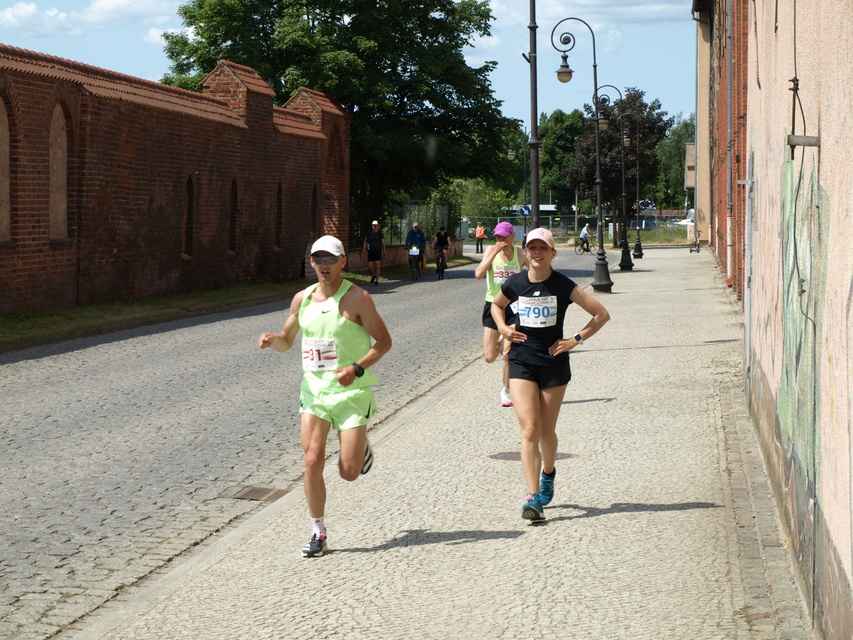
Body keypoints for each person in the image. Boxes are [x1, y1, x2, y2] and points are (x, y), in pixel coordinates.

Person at [258, 235, 392, 557]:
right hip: (315, 391)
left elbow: (384, 342)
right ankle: (318, 533)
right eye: (318, 258)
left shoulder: (358, 298)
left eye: (330, 258)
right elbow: (287, 340)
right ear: (312, 262)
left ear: (343, 261)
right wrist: (274, 339)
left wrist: (357, 368)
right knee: (312, 458)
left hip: (351, 392)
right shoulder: (302, 299)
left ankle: (359, 447)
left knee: (349, 472)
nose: (324, 264)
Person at [490, 227, 610, 522]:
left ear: (552, 253)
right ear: (526, 252)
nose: (537, 253)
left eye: (543, 248)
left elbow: (601, 314)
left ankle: (548, 472)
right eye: (532, 248)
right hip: (521, 362)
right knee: (529, 429)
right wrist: (503, 328)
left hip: (553, 363)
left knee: (546, 431)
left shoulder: (562, 284)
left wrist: (574, 340)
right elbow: (496, 305)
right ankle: (533, 499)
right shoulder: (516, 283)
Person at [475, 221, 527, 407]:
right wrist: (493, 254)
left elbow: (537, 271)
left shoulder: (520, 254)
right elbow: (478, 274)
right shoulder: (491, 250)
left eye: (504, 237)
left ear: (513, 236)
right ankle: (500, 339)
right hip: (493, 304)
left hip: (514, 306)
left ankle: (506, 391)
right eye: (497, 237)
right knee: (489, 357)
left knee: (508, 354)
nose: (500, 240)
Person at [363, 220, 386, 286]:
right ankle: (373, 275)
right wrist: (364, 249)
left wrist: (384, 252)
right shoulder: (369, 232)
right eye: (373, 225)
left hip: (378, 250)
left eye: (375, 225)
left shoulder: (379, 233)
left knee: (377, 266)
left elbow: (383, 243)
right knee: (369, 267)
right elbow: (365, 241)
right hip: (370, 251)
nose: (374, 227)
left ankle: (377, 280)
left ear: (378, 226)